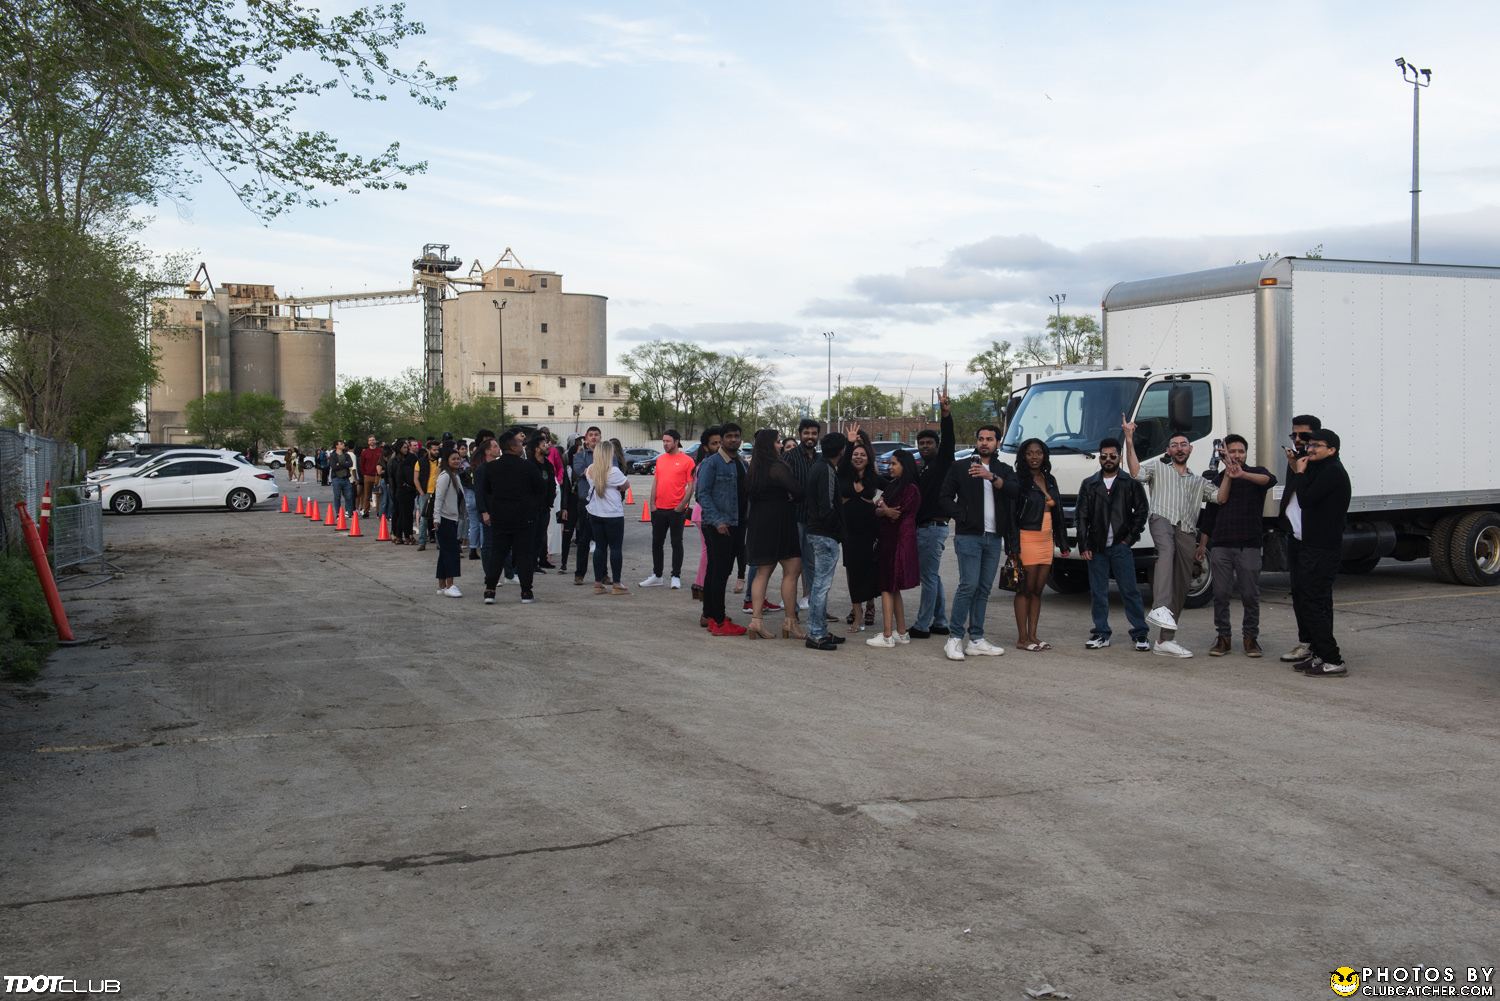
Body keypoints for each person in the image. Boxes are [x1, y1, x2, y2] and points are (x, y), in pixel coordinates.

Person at [1123, 423, 1217, 658]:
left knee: (1182, 584)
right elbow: (1135, 472)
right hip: (1162, 520)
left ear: (1190, 449)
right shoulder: (1158, 467)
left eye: (1183, 444)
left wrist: (1231, 473)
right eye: (1174, 445)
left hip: (1186, 529)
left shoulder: (1198, 482)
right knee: (1166, 552)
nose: (1179, 448)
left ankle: (1165, 641)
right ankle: (1159, 607)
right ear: (1168, 450)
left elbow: (1220, 496)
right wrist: (1129, 439)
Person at [938, 424, 1016, 661]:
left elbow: (1014, 490)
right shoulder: (961, 467)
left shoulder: (1003, 468)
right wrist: (963, 515)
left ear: (998, 443)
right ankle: (954, 638)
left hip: (994, 538)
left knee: (983, 589)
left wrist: (990, 476)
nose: (984, 443)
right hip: (968, 536)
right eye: (981, 438)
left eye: (989, 439)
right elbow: (943, 497)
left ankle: (976, 639)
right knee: (968, 586)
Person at [1199, 434, 1277, 657]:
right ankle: (1223, 638)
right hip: (1221, 546)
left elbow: (1270, 480)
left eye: (1241, 451)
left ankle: (1250, 639)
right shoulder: (1217, 479)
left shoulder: (1257, 473)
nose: (1237, 455)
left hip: (1249, 545)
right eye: (1232, 451)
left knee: (1250, 595)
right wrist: (1202, 544)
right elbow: (1210, 513)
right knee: (1221, 593)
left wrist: (1242, 474)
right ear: (1224, 453)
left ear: (1246, 453)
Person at [1076, 437, 1152, 652]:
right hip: (1096, 547)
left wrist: (1129, 539)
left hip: (1121, 547)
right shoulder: (1089, 484)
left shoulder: (1130, 483)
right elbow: (1081, 516)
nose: (1108, 459)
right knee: (1098, 592)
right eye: (1104, 456)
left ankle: (1140, 634)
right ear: (1099, 457)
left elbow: (1142, 512)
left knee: (1130, 591)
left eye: (1112, 456)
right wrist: (1084, 544)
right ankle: (1101, 633)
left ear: (1119, 457)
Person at [1286, 429, 1351, 677]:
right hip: (1310, 545)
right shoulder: (1321, 469)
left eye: (1317, 445)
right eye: (1310, 444)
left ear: (1332, 450)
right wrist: (1297, 467)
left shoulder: (1333, 472)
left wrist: (1300, 473)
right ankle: (1318, 653)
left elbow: (1306, 499)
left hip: (1323, 548)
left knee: (1315, 603)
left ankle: (1332, 659)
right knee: (1307, 600)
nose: (1310, 448)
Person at [1009, 438, 1070, 652]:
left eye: (1038, 453)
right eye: (1029, 453)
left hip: (1046, 539)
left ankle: (1033, 635)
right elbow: (1011, 517)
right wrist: (1013, 547)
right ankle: (1022, 638)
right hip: (1026, 538)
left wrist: (1062, 542)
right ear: (1023, 457)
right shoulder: (1018, 481)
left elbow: (1058, 512)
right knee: (1024, 589)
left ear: (1044, 455)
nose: (1034, 457)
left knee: (1037, 591)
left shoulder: (1049, 479)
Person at [743, 428, 804, 639]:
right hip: (780, 521)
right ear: (770, 445)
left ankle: (756, 621)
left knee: (762, 572)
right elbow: (797, 491)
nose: (780, 445)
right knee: (792, 570)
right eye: (778, 442)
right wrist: (791, 496)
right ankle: (790, 621)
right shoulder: (777, 466)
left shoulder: (754, 467)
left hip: (759, 524)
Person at [910, 394, 956, 638]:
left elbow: (949, 440)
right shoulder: (922, 468)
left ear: (936, 446)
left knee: (928, 578)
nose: (925, 446)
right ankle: (939, 621)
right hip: (925, 528)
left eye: (929, 443)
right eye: (921, 443)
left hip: (933, 527)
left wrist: (946, 415)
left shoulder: (942, 463)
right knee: (932, 576)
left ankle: (922, 625)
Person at [1278, 414, 1322, 664]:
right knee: (1298, 592)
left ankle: (1320, 647)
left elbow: (1308, 496)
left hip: (1315, 540)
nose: (1297, 440)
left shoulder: (1320, 464)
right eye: (1293, 435)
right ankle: (1306, 642)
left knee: (1314, 595)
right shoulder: (1295, 459)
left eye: (1303, 436)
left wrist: (1300, 469)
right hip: (1295, 535)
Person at [867, 449, 921, 648]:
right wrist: (882, 509)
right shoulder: (893, 486)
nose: (890, 467)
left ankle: (887, 634)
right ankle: (901, 632)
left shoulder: (910, 489)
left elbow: (894, 513)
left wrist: (884, 509)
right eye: (889, 464)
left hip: (898, 542)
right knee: (893, 587)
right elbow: (879, 509)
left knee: (887, 587)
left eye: (894, 464)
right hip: (888, 540)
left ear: (904, 466)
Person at [482, 430, 545, 604]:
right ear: (512, 446)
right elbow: (541, 488)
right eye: (519, 443)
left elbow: (487, 490)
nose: (521, 446)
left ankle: (490, 590)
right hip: (524, 517)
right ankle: (526, 592)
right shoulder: (527, 466)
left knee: (498, 553)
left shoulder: (491, 467)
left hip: (500, 516)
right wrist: (533, 505)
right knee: (524, 554)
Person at [697, 424, 747, 635]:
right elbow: (702, 495)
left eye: (737, 436)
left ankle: (710, 614)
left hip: (737, 525)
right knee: (719, 573)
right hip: (719, 527)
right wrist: (718, 521)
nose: (733, 440)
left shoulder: (742, 464)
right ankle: (718, 621)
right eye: (729, 437)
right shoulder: (712, 463)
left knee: (718, 572)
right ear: (723, 439)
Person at [803, 433, 846, 651]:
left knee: (821, 585)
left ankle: (819, 629)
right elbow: (827, 507)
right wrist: (838, 531)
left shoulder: (818, 467)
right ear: (841, 451)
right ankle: (816, 633)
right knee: (820, 586)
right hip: (824, 534)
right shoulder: (826, 470)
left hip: (817, 532)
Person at [641, 430, 694, 589]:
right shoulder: (661, 460)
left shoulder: (687, 461)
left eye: (668, 441)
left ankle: (675, 576)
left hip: (676, 510)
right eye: (663, 441)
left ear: (676, 441)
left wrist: (681, 506)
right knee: (657, 543)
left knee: (676, 542)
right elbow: (656, 481)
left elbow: (691, 486)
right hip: (658, 509)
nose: (665, 444)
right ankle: (657, 575)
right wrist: (652, 503)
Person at [838, 440, 880, 633]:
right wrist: (849, 444)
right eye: (855, 454)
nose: (858, 457)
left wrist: (882, 505)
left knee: (869, 569)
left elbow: (894, 488)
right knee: (852, 571)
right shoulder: (844, 475)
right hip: (849, 531)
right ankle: (858, 613)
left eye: (862, 454)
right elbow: (843, 462)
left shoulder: (873, 477)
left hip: (870, 531)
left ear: (868, 458)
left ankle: (870, 605)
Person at [783, 418, 824, 611]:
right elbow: (782, 483)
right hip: (794, 518)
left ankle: (811, 600)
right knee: (793, 564)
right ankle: (791, 604)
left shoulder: (819, 459)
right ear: (800, 434)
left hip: (814, 520)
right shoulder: (790, 457)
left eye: (814, 433)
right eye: (806, 433)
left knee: (812, 564)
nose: (810, 437)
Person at [585, 440, 631, 595]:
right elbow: (626, 485)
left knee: (600, 547)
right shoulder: (614, 472)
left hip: (595, 512)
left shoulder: (590, 470)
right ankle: (616, 583)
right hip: (613, 514)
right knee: (616, 548)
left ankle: (598, 583)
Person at [689, 426, 722, 603]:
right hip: (704, 514)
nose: (718, 446)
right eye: (714, 443)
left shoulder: (705, 464)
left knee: (707, 552)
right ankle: (701, 586)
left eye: (720, 442)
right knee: (708, 552)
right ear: (706, 447)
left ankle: (701, 586)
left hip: (702, 514)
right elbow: (702, 493)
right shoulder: (706, 465)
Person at [569, 426, 602, 585]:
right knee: (584, 538)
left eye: (596, 435)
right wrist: (601, 471)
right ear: (586, 438)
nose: (594, 438)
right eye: (591, 435)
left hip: (603, 501)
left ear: (600, 437)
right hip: (586, 501)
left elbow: (615, 472)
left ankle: (603, 574)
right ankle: (579, 574)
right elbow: (580, 472)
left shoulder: (608, 455)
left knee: (603, 540)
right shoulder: (580, 455)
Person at [433, 449, 465, 597]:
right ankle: (450, 585)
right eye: (453, 459)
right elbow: (438, 499)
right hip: (444, 519)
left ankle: (442, 586)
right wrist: (436, 518)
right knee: (452, 552)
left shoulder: (455, 476)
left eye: (458, 459)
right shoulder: (445, 477)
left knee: (445, 553)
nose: (457, 461)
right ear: (447, 460)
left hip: (452, 518)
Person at [528, 434, 558, 572]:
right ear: (536, 448)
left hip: (545, 506)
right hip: (532, 507)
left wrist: (550, 500)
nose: (547, 446)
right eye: (543, 444)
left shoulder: (548, 465)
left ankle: (543, 559)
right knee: (532, 535)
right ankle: (532, 563)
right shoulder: (529, 465)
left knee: (542, 534)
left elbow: (552, 483)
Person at [414, 438, 439, 551]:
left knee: (437, 518)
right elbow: (416, 479)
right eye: (434, 450)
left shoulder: (441, 461)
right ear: (428, 450)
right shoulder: (420, 462)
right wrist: (421, 492)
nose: (436, 452)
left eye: (437, 449)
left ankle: (439, 542)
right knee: (424, 518)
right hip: (425, 493)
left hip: (438, 493)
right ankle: (422, 542)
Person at [394, 440, 418, 545]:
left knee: (404, 514)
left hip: (408, 491)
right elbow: (395, 477)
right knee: (405, 515)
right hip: (402, 490)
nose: (406, 449)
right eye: (404, 447)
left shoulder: (409, 459)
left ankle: (399, 536)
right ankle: (407, 536)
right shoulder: (397, 461)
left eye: (406, 447)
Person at [328, 440, 355, 516]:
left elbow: (350, 464)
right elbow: (334, 467)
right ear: (337, 446)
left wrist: (339, 464)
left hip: (346, 479)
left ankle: (349, 512)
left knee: (349, 496)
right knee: (337, 496)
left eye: (343, 444)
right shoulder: (333, 455)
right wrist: (344, 464)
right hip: (336, 479)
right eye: (341, 444)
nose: (343, 445)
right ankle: (338, 513)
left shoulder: (346, 455)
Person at [358, 434, 382, 516]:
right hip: (367, 476)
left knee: (378, 495)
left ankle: (379, 512)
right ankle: (366, 511)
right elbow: (361, 464)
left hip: (377, 476)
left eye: (373, 440)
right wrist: (364, 474)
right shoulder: (365, 452)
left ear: (375, 441)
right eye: (370, 440)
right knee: (366, 495)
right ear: (368, 442)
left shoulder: (380, 451)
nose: (372, 441)